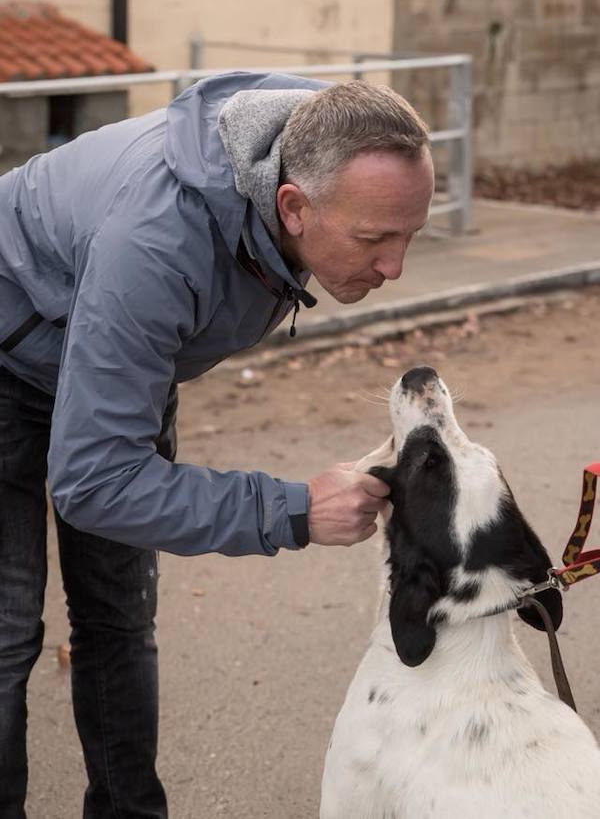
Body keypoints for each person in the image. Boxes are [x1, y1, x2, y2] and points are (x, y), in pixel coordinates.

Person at [0, 71, 434, 818]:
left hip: (121, 350)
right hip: (9, 356)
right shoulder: (157, 243)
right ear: (292, 206)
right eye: (375, 240)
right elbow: (96, 482)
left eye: (410, 235)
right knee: (7, 629)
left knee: (117, 618)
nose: (396, 268)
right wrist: (293, 510)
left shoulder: (330, 135)